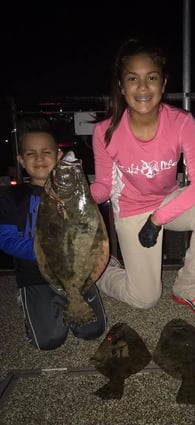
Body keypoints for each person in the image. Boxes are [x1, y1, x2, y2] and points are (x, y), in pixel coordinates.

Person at [90, 37, 195, 317]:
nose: (143, 87)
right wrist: (72, 198)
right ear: (121, 86)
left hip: (168, 203)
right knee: (144, 299)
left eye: (151, 78)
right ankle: (104, 271)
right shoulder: (105, 131)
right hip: (131, 210)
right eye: (132, 78)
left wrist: (158, 218)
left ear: (163, 84)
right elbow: (104, 187)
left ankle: (188, 289)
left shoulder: (181, 122)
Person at [0, 117, 107, 350]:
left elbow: (92, 230)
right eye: (30, 153)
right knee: (49, 342)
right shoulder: (11, 197)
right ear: (21, 160)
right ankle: (31, 303)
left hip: (77, 273)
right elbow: (5, 239)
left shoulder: (76, 194)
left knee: (93, 331)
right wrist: (45, 251)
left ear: (58, 156)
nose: (39, 158)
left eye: (46, 152)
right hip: (34, 276)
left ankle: (69, 297)